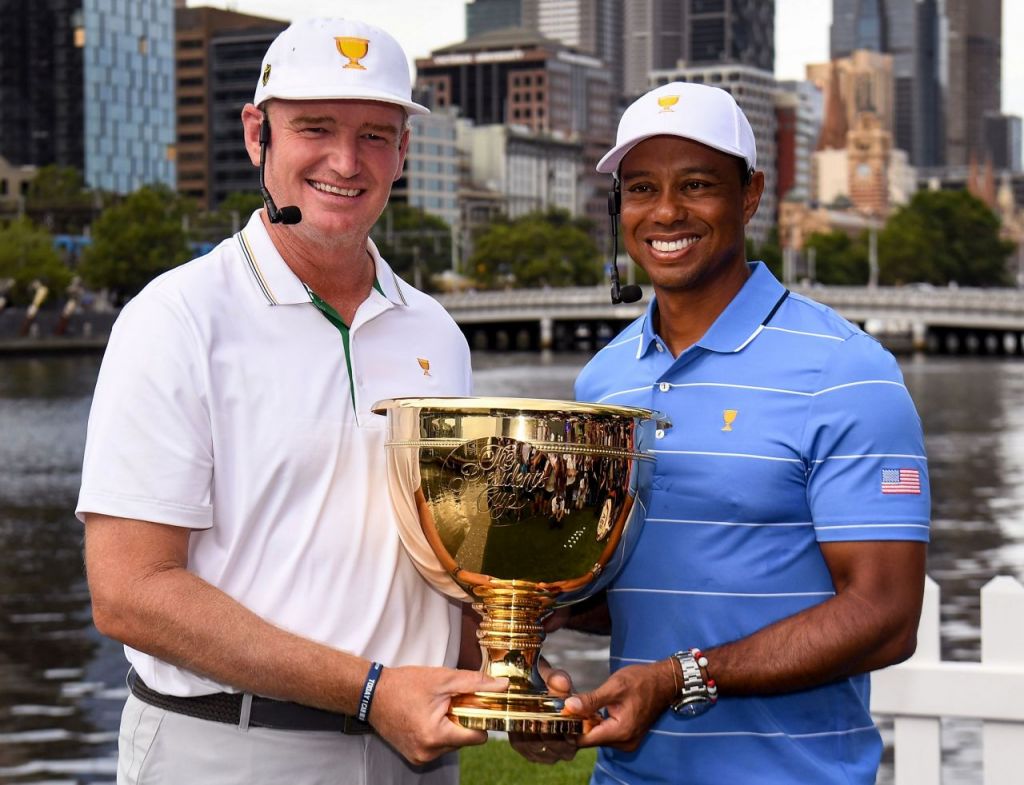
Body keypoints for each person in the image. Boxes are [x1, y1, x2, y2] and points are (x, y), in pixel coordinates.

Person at [76, 18, 504, 785]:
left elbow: (444, 565)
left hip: (416, 755)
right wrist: (370, 691)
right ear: (257, 135)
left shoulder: (437, 333)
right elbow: (129, 592)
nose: (346, 161)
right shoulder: (175, 318)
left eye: (375, 135)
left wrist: (506, 677)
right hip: (229, 750)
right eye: (315, 128)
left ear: (404, 151)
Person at [559, 82, 930, 784]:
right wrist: (541, 609)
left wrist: (679, 678)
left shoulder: (847, 370)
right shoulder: (604, 380)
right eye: (641, 188)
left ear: (750, 195)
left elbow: (886, 615)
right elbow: (644, 589)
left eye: (697, 185)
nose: (666, 211)